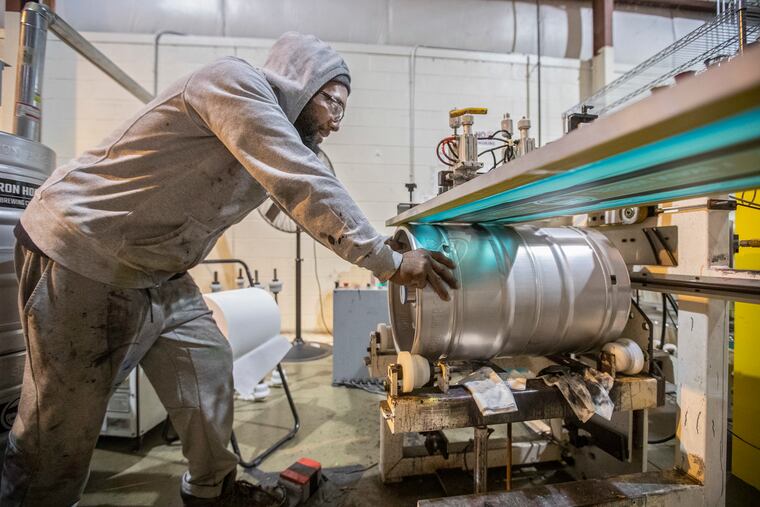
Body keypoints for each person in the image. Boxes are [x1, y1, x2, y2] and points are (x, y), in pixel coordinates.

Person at [0, 32, 457, 507]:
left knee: (207, 366)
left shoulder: (272, 137)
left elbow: (301, 187)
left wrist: (367, 237)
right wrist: (390, 262)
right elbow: (304, 182)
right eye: (333, 105)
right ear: (301, 83)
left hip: (158, 271)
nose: (336, 124)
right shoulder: (232, 83)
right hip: (83, 252)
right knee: (61, 425)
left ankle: (210, 491)